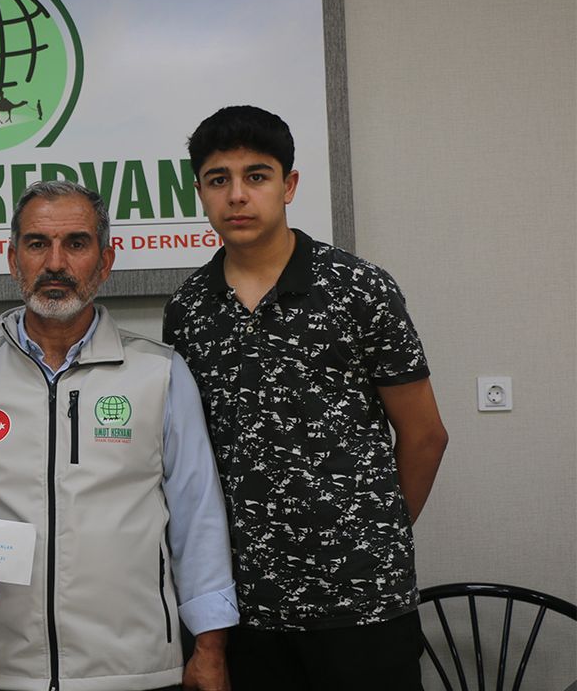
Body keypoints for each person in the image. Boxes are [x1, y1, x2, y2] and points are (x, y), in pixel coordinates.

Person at [0, 180, 239, 691]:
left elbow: (199, 517)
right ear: (13, 259)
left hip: (134, 671)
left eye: (76, 244)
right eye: (37, 243)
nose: (55, 262)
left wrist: (211, 648)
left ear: (105, 262)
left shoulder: (159, 374)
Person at [162, 106, 450, 690]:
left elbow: (425, 435)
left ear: (289, 185)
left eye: (257, 176)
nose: (237, 195)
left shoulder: (358, 288)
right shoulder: (189, 309)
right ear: (200, 192)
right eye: (218, 180)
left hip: (363, 604)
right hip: (244, 610)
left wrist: (376, 537)